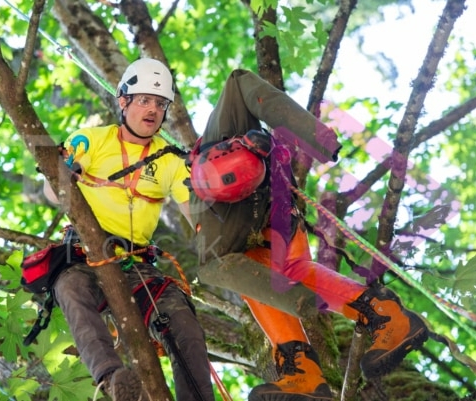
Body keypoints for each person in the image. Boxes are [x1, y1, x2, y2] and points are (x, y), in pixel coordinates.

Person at [188, 69, 429, 401]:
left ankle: (305, 365)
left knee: (243, 267)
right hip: (253, 233)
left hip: (278, 217)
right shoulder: (215, 150)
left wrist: (315, 136)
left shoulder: (233, 130)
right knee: (264, 271)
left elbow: (240, 80)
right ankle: (377, 314)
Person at [52, 58, 215, 401]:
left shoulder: (170, 160)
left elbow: (197, 216)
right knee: (69, 287)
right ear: (123, 101)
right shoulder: (92, 139)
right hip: (85, 254)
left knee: (182, 320)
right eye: (144, 99)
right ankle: (112, 379)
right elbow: (54, 187)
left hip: (138, 264)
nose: (153, 109)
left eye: (160, 103)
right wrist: (66, 173)